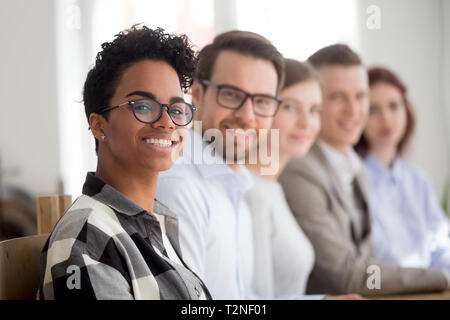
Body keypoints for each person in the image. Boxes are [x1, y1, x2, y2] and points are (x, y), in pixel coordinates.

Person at [38, 25, 211, 300]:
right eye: (143, 106)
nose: (166, 122)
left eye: (177, 109)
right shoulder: (87, 238)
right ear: (98, 125)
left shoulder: (159, 223)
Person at [278, 44, 450, 296]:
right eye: (336, 96)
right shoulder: (299, 170)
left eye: (360, 96)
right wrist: (442, 278)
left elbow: (367, 259)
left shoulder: (353, 165)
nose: (353, 110)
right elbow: (346, 275)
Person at [155, 30, 284, 299]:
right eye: (232, 95)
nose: (247, 116)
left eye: (261, 102)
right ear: (199, 94)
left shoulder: (234, 185)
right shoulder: (178, 184)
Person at [246, 59, 361, 300]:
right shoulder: (252, 193)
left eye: (314, 110)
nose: (306, 123)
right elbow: (252, 300)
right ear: (263, 107)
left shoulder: (272, 187)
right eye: (290, 107)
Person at [354, 66, 450, 274]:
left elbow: (440, 242)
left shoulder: (419, 181)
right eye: (373, 109)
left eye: (394, 106)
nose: (386, 118)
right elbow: (372, 257)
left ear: (407, 110)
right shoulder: (353, 180)